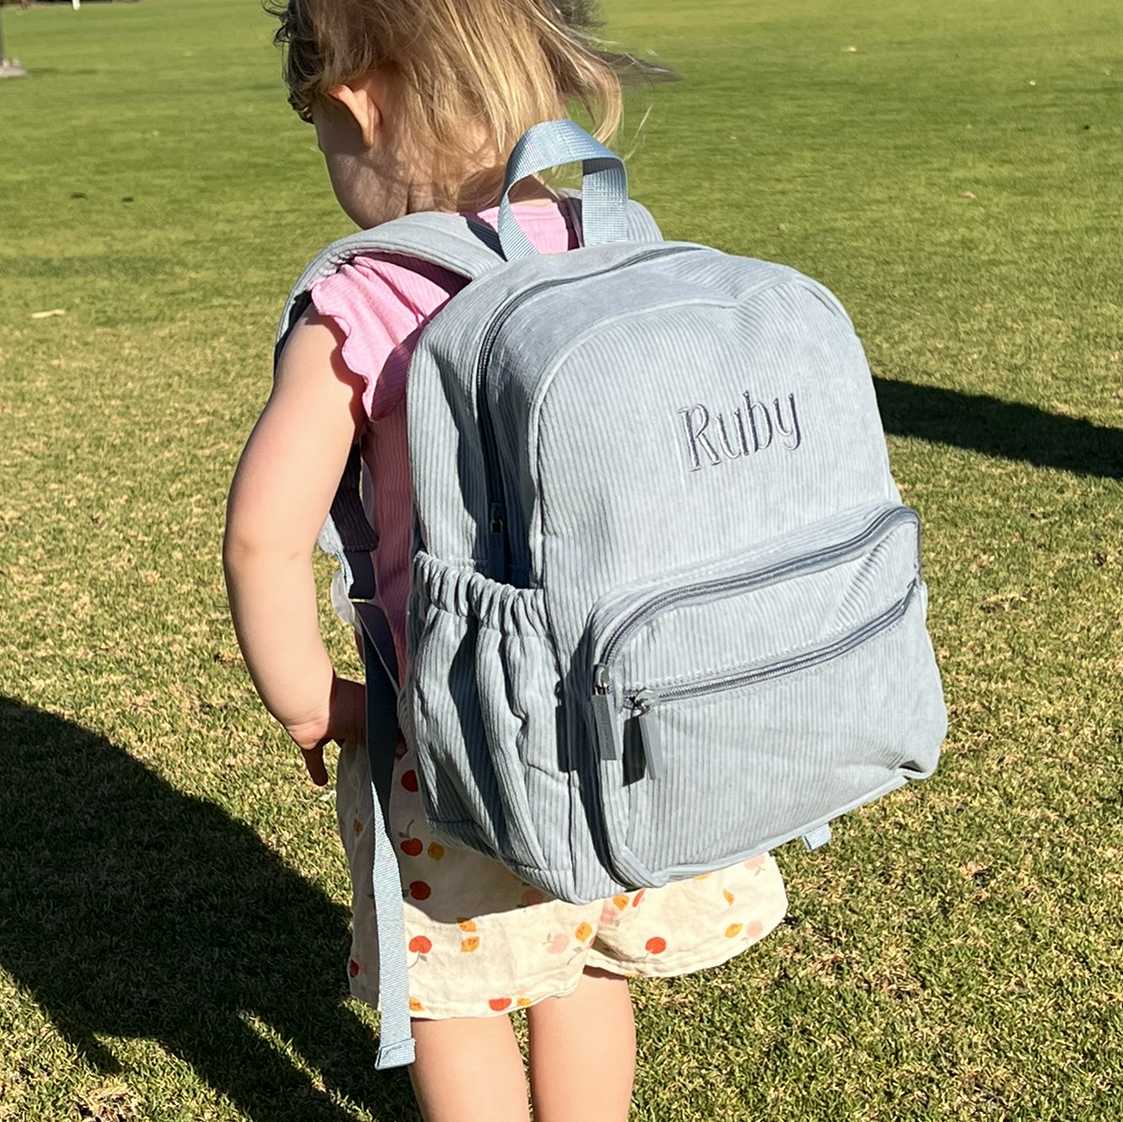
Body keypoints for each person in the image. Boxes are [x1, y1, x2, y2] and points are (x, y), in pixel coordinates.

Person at [223, 3, 790, 1119]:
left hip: (452, 738)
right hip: (618, 722)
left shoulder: (359, 302)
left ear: (359, 103)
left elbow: (264, 537)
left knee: (462, 1003)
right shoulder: (609, 241)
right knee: (581, 964)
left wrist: (306, 705)